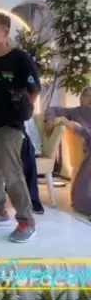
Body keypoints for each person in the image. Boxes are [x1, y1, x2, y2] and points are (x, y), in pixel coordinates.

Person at [0, 13, 41, 243]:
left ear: (5, 32)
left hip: (11, 125)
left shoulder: (20, 59)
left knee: (12, 173)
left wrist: (24, 112)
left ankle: (26, 221)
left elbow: (34, 89)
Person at [45, 85, 91, 217]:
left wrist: (80, 129)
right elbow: (52, 109)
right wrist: (50, 120)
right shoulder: (76, 112)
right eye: (87, 96)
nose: (90, 99)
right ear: (81, 99)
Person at [22, 112, 44, 215]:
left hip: (25, 147)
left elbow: (34, 136)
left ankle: (33, 198)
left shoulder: (26, 116)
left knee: (29, 151)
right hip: (6, 145)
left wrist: (35, 149)